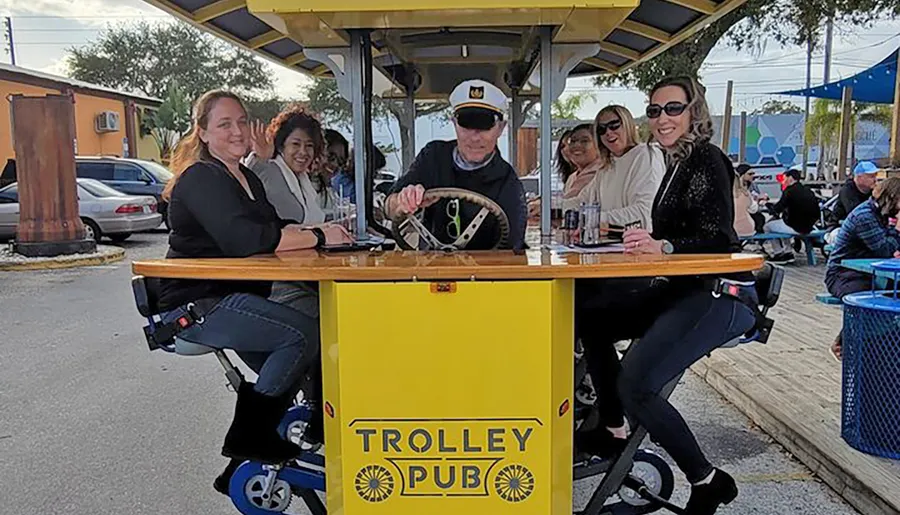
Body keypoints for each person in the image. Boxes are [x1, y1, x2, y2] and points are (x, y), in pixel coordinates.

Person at [576, 76, 758, 515]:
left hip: (717, 295)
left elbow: (718, 236)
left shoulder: (708, 159)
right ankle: (613, 427)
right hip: (678, 287)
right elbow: (674, 230)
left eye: (673, 109)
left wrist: (666, 247)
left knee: (637, 383)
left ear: (694, 112)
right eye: (655, 110)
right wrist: (648, 238)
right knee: (591, 319)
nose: (662, 118)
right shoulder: (675, 162)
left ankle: (708, 480)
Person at [155, 90, 352, 494]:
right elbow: (246, 238)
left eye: (242, 121)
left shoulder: (243, 177)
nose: (237, 130)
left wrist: (324, 237)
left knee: (306, 353)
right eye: (225, 124)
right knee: (304, 336)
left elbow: (277, 223)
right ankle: (252, 438)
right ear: (203, 133)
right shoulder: (201, 178)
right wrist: (316, 234)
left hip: (239, 299)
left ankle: (256, 457)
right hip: (200, 306)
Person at [384, 79, 526, 250]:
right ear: (454, 123)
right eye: (466, 124)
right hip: (432, 269)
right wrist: (403, 201)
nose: (474, 137)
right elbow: (389, 208)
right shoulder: (433, 157)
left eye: (485, 125)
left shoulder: (507, 181)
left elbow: (511, 252)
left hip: (484, 274)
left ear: (501, 128)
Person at [824, 178, 900, 360]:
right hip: (843, 274)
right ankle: (848, 345)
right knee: (868, 300)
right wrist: (898, 229)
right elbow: (885, 250)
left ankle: (880, 348)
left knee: (890, 295)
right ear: (892, 198)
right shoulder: (864, 216)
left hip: (869, 273)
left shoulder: (882, 215)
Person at [561, 105, 665, 230]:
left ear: (627, 124)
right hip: (611, 243)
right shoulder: (606, 166)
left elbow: (645, 212)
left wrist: (595, 218)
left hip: (640, 244)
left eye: (614, 125)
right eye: (601, 129)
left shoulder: (646, 155)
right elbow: (581, 201)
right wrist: (548, 208)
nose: (608, 132)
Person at [243, 104, 328, 225]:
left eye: (309, 146)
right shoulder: (271, 170)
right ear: (281, 146)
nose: (303, 152)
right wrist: (261, 158)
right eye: (296, 144)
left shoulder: (302, 179)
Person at [763, 168, 821, 263]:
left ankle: (779, 252)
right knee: (781, 224)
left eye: (784, 178)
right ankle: (787, 251)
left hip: (795, 226)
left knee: (767, 227)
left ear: (790, 178)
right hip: (809, 226)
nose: (783, 181)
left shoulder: (789, 191)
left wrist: (766, 203)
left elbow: (777, 209)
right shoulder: (808, 190)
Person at [825, 161, 879, 245]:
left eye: (876, 176)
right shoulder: (847, 191)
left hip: (864, 229)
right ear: (859, 177)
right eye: (871, 176)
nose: (875, 180)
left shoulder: (874, 192)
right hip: (839, 228)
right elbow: (856, 214)